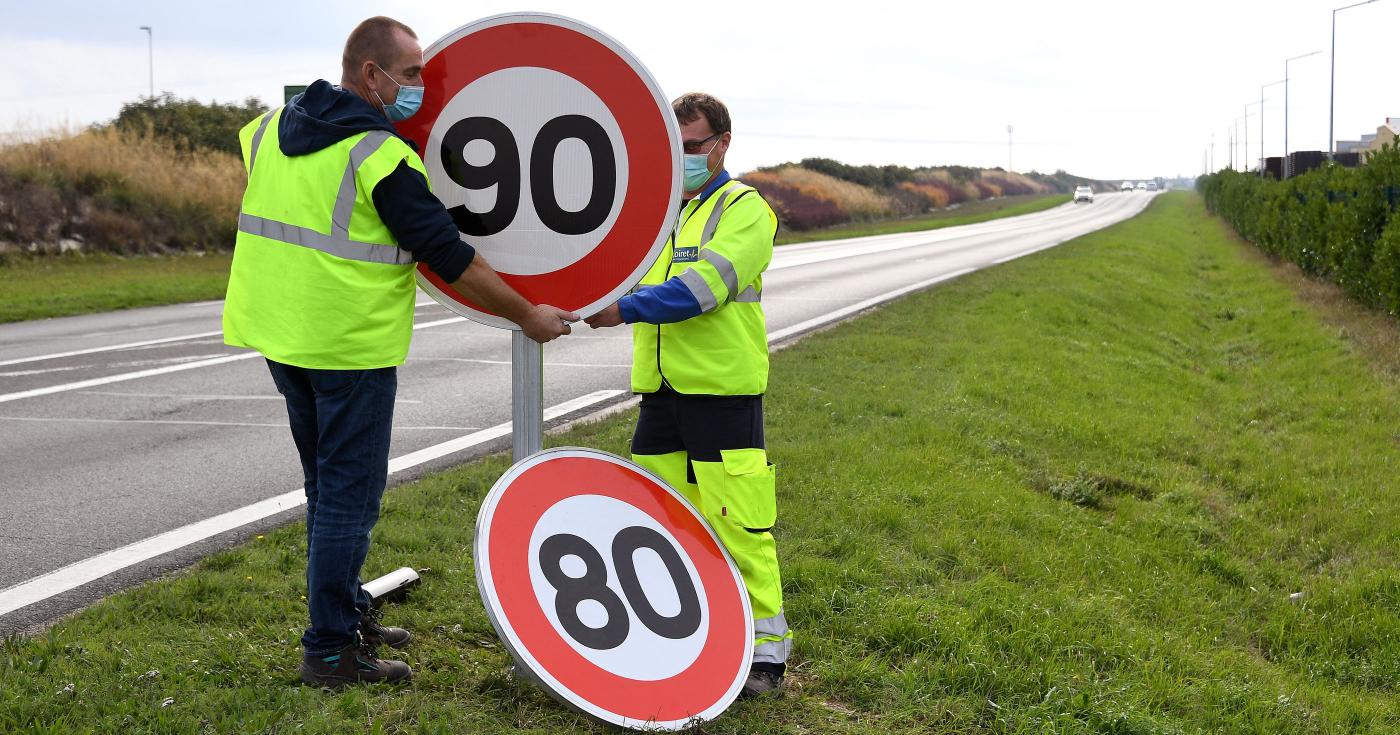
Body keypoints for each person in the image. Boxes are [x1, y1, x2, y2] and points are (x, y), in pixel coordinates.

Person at [222, 16, 577, 688]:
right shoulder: (379, 155)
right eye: (412, 72)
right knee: (348, 499)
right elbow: (449, 255)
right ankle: (330, 651)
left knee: (326, 490)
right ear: (370, 76)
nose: (421, 84)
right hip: (347, 346)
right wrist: (527, 313)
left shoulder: (268, 129)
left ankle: (347, 609)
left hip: (280, 336)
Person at [585, 92, 790, 697]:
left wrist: (624, 307)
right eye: (670, 151)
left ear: (721, 145)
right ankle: (682, 639)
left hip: (722, 397)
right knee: (657, 524)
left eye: (692, 148)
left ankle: (765, 657)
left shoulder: (744, 210)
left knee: (738, 525)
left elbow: (705, 289)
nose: (680, 161)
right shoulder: (659, 212)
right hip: (660, 396)